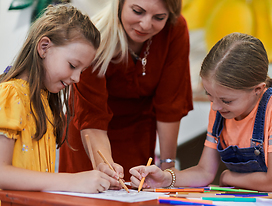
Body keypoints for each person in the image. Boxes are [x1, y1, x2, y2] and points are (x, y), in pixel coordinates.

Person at [129, 32, 272, 194]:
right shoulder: (221, 110)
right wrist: (164, 178)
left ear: (258, 89)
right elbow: (204, 172)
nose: (215, 107)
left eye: (226, 100)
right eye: (210, 96)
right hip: (256, 199)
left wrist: (229, 176)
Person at [0, 4, 121, 206]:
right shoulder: (10, 95)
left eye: (81, 71)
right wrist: (73, 181)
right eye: (73, 66)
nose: (76, 78)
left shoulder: (45, 100)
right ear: (44, 47)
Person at [59, 0, 193, 180]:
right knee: (97, 191)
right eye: (138, 11)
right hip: (91, 137)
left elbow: (170, 105)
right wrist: (105, 167)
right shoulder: (94, 39)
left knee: (136, 197)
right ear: (120, 4)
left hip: (138, 136)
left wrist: (168, 171)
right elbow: (92, 118)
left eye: (159, 17)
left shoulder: (174, 30)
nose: (146, 25)